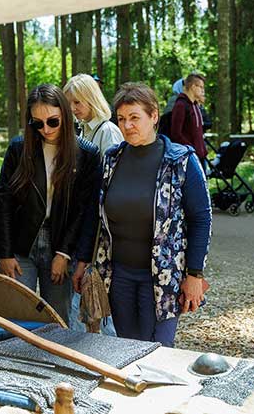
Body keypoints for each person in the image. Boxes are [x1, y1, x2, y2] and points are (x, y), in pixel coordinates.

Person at [72, 82, 212, 347]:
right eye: (122, 119)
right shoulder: (112, 159)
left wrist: (195, 275)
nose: (127, 126)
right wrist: (81, 261)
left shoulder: (180, 161)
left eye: (135, 117)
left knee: (157, 352)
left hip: (162, 276)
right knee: (125, 348)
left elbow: (201, 219)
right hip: (118, 276)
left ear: (154, 116)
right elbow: (94, 216)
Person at [0, 84, 102, 324]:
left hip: (61, 242)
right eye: (37, 123)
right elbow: (4, 200)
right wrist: (5, 252)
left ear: (65, 115)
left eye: (52, 121)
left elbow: (84, 209)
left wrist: (64, 253)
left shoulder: (86, 153)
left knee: (58, 319)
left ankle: (57, 361)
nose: (45, 129)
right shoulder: (18, 148)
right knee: (14, 316)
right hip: (22, 242)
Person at [64, 73, 124, 158]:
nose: (72, 108)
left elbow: (114, 168)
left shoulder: (108, 132)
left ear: (91, 99)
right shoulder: (84, 129)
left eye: (77, 102)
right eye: (69, 103)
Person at [169, 73, 208, 164]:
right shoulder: (181, 105)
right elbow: (176, 134)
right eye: (201, 87)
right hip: (190, 157)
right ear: (193, 87)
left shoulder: (195, 105)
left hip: (201, 156)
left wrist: (202, 150)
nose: (203, 90)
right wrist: (192, 150)